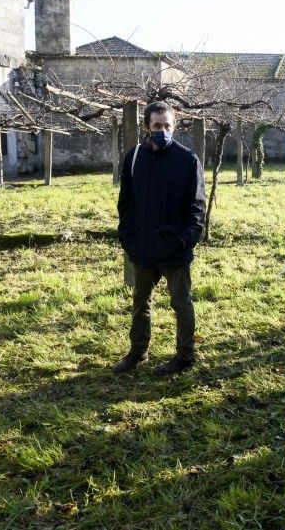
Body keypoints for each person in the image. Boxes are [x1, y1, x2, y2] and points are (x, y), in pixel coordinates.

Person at [112, 102, 207, 375]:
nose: (163, 131)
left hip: (174, 247)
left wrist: (186, 239)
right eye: (157, 126)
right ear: (147, 126)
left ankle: (185, 356)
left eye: (167, 126)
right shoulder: (133, 157)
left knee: (181, 302)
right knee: (140, 301)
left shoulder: (187, 160)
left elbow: (197, 206)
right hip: (141, 246)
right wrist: (127, 237)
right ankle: (138, 352)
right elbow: (125, 203)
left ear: (174, 126)